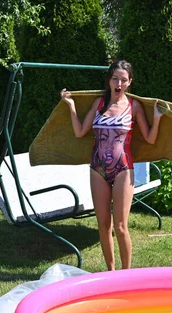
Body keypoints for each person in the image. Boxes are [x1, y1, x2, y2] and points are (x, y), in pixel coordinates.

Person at [61, 60, 163, 270]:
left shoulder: (133, 107)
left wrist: (158, 118)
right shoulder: (98, 104)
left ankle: (126, 274)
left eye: (123, 80)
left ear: (129, 82)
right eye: (115, 78)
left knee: (121, 226)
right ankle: (111, 273)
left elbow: (150, 139)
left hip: (123, 170)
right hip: (97, 169)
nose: (118, 83)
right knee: (103, 225)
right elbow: (80, 132)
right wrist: (71, 107)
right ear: (109, 80)